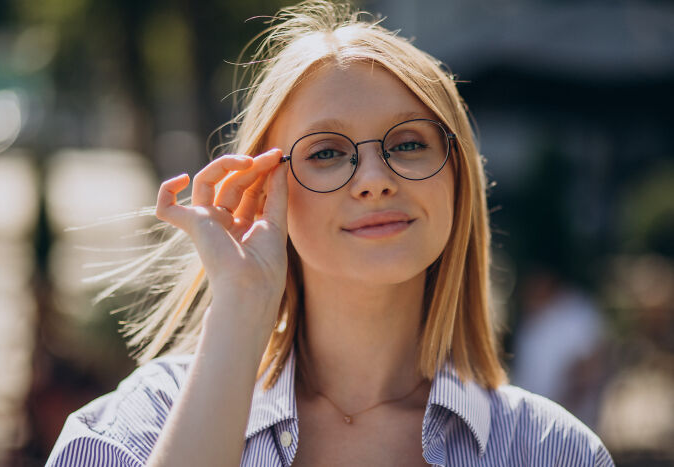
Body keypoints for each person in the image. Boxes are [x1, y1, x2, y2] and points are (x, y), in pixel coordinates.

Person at [46, 1, 614, 465]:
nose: (374, 180)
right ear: (263, 187)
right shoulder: (134, 428)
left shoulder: (551, 450)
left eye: (409, 143)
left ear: (458, 174)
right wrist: (242, 304)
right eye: (326, 152)